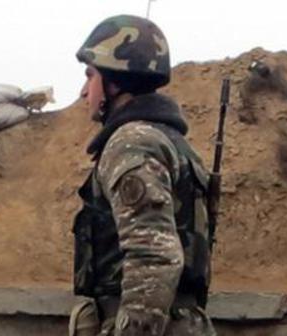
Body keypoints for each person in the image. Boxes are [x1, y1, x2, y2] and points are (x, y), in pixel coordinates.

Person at [69, 15, 216, 336]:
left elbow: (154, 255)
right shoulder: (169, 142)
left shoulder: (132, 143)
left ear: (115, 82)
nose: (83, 92)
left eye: (90, 76)